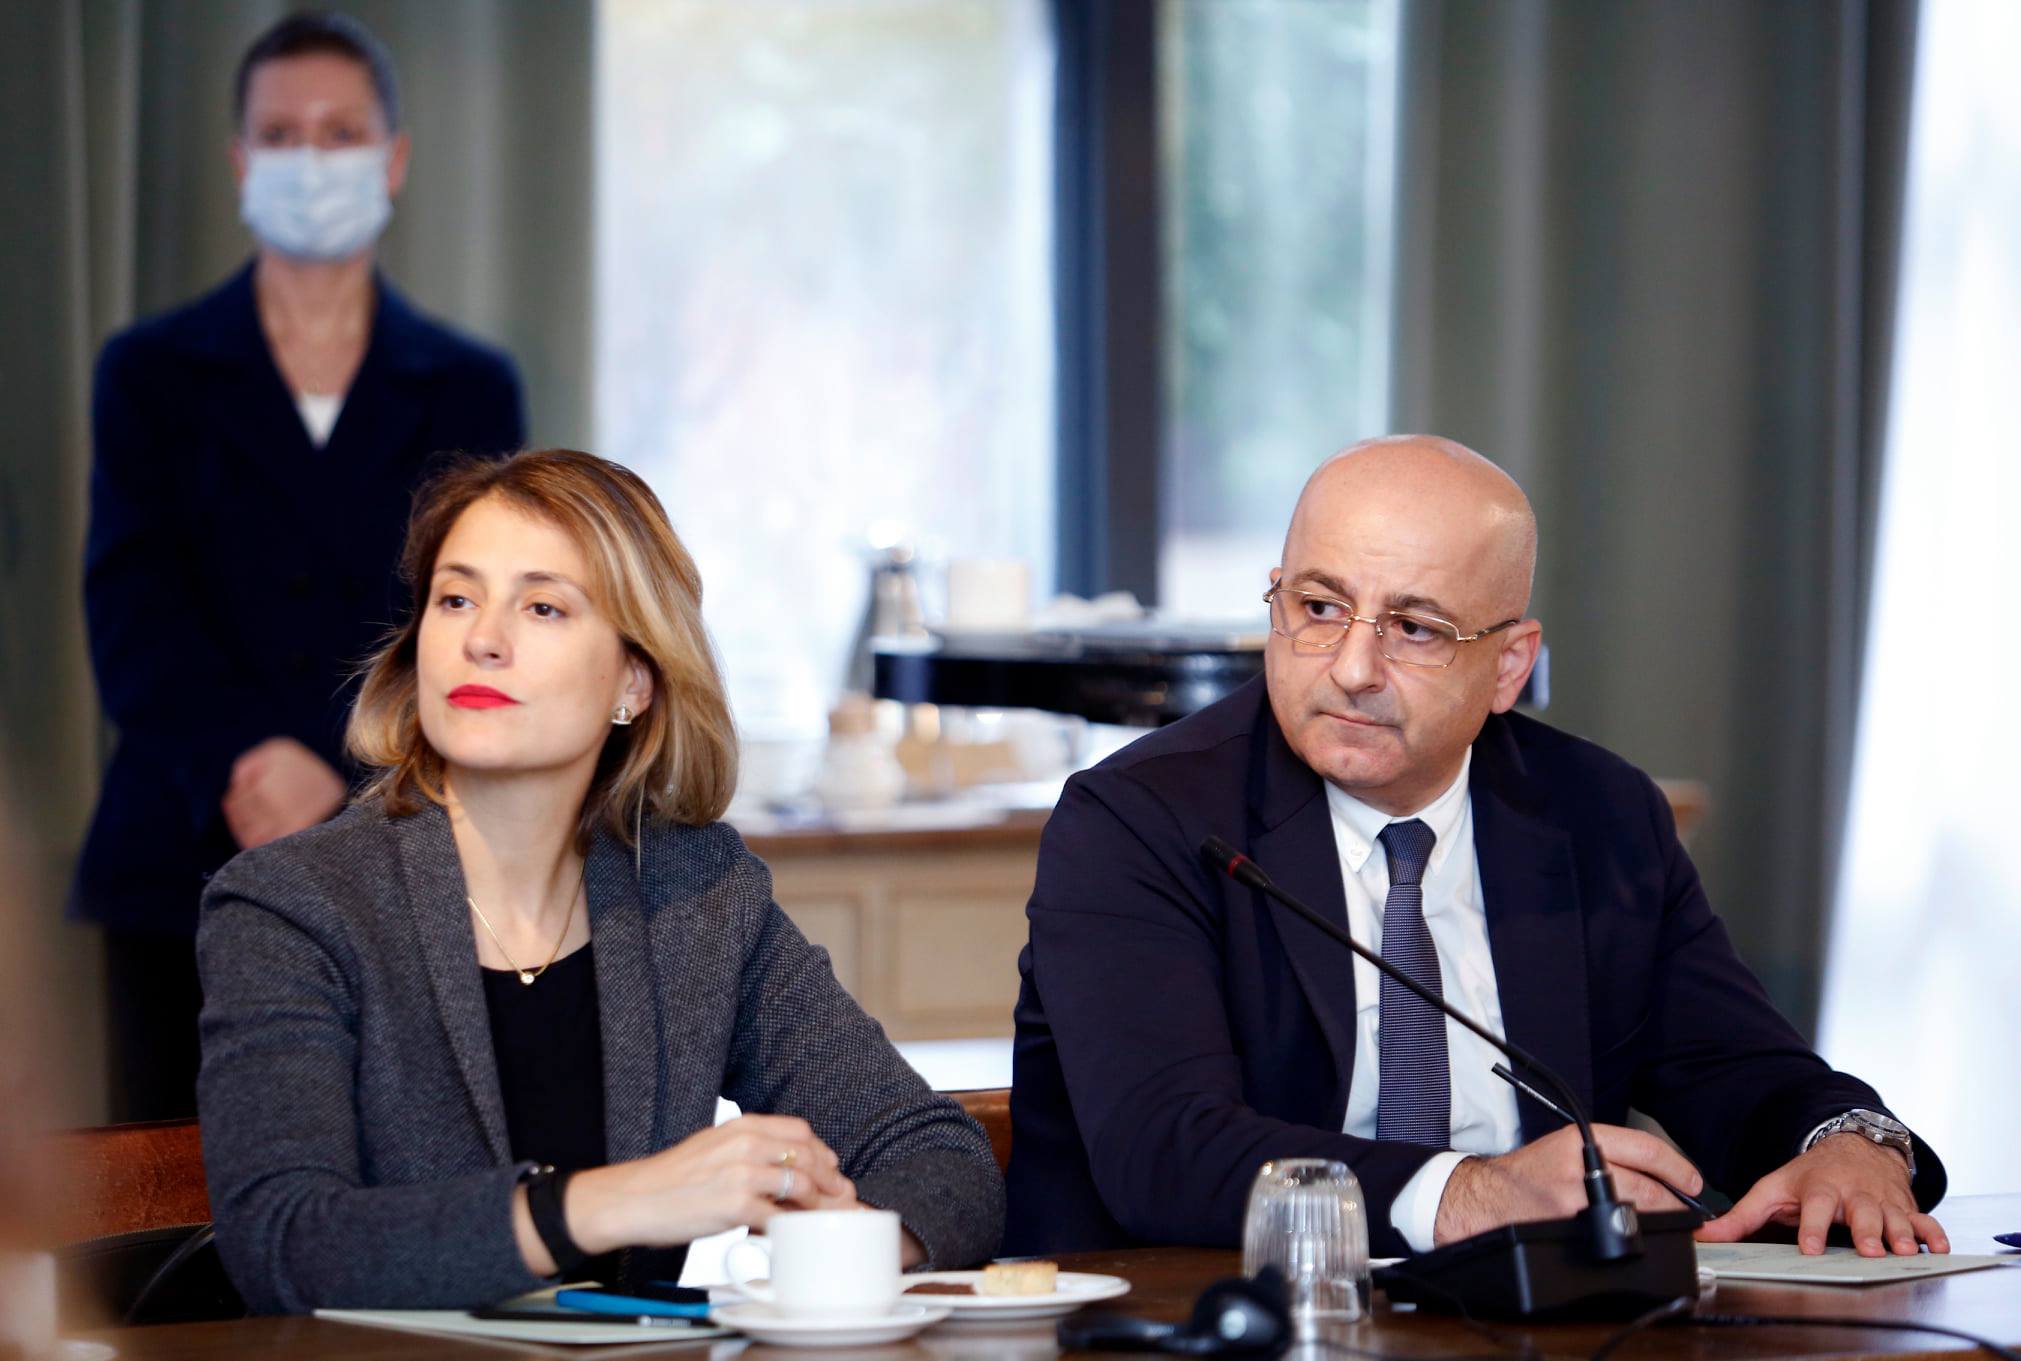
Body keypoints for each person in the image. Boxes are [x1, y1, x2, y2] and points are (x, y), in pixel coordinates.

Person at [1006, 435, 1947, 1263]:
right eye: (1320, 607)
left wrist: (1848, 1141)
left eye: (1414, 628)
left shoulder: (1597, 814)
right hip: (1207, 1318)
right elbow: (1166, 1150)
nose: (1352, 668)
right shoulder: (1138, 818)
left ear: (1507, 665)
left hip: (1532, 1326)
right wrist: (1471, 1194)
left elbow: (1736, 1067)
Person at [195, 450, 1004, 1312]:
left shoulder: (696, 894)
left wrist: (843, 1245)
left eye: (542, 606)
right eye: (455, 598)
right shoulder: (294, 905)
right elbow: (286, 1243)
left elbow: (941, 1159)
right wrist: (619, 1200)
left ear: (633, 680)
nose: (482, 638)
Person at [71, 11, 524, 1121]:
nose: (310, 160)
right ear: (240, 162)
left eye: (339, 132)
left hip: (397, 844)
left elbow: (475, 613)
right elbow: (132, 605)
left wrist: (337, 762)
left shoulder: (469, 385)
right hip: (181, 852)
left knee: (391, 1177)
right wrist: (246, 759)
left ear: (393, 159)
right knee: (170, 1187)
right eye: (281, 135)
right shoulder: (149, 373)